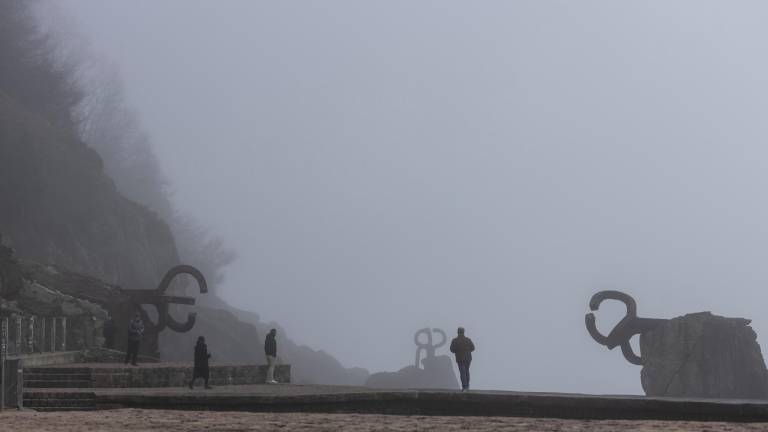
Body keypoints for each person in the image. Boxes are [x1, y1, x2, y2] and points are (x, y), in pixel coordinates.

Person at [449, 326, 475, 392]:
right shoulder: (468, 340)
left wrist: (457, 351)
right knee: (466, 371)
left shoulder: (455, 340)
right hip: (468, 358)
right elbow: (473, 348)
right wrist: (467, 351)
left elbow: (452, 350)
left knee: (463, 373)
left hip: (460, 358)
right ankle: (467, 386)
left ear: (458, 332)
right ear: (463, 332)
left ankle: (465, 387)